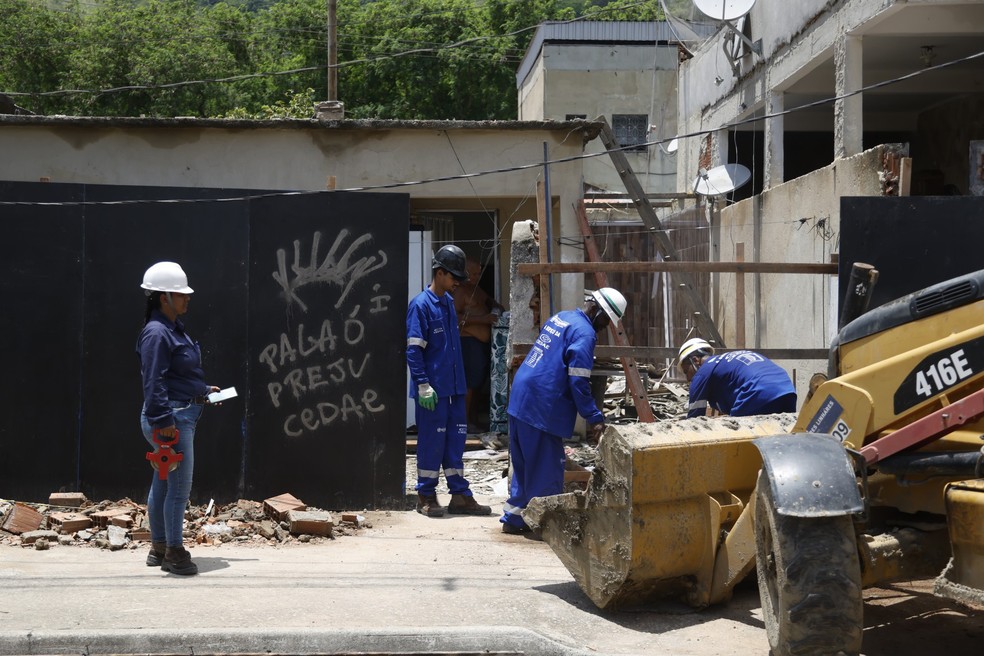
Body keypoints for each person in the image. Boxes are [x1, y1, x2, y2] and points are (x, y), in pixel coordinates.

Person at [500, 287, 627, 536]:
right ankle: (546, 524)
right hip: (542, 403)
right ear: (598, 310)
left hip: (522, 396)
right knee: (547, 467)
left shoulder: (562, 317)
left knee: (525, 465)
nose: (603, 328)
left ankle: (514, 518)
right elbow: (578, 381)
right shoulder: (585, 333)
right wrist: (595, 419)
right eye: (605, 321)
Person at [137, 261, 219, 576]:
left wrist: (202, 390)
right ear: (163, 297)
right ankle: (174, 552)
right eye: (180, 294)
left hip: (178, 413)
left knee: (163, 484)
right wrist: (163, 421)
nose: (187, 299)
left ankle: (158, 547)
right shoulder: (157, 333)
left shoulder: (172, 329)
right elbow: (153, 381)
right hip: (171, 420)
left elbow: (175, 374)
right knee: (179, 488)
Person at [406, 244, 492, 518]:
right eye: (454, 277)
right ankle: (426, 496)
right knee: (432, 443)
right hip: (433, 390)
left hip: (453, 388)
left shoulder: (446, 303)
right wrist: (422, 384)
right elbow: (413, 348)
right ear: (439, 273)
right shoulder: (420, 305)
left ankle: (460, 496)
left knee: (455, 442)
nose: (458, 283)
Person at [677, 338, 797, 419]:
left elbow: (694, 419)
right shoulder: (726, 361)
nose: (688, 378)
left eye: (686, 371)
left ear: (695, 360)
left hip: (756, 392)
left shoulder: (703, 372)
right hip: (786, 391)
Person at [453, 257, 505, 433]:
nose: (475, 277)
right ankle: (465, 421)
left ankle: (473, 418)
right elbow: (453, 317)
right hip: (467, 341)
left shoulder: (475, 288)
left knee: (477, 384)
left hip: (479, 344)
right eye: (472, 274)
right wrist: (483, 319)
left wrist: (494, 307)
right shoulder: (459, 290)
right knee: (469, 383)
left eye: (478, 273)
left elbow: (488, 300)